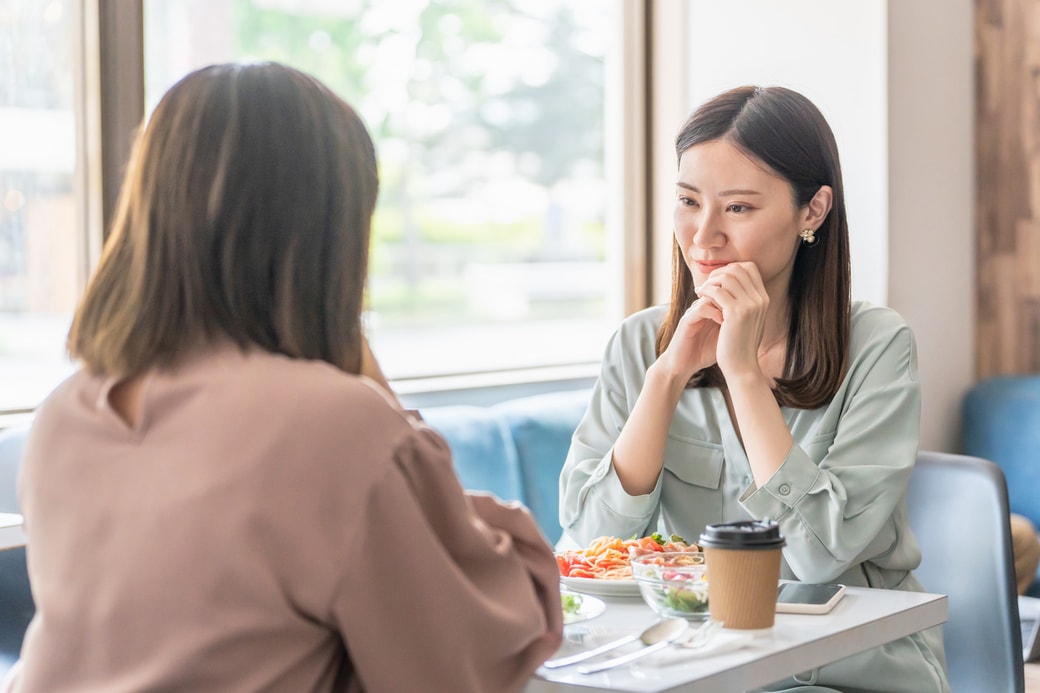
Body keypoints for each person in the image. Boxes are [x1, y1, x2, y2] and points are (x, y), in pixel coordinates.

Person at [3, 62, 562, 692]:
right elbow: (471, 655)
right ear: (331, 228)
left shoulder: (62, 416)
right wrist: (362, 369)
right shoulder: (336, 425)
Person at [558, 85, 949, 693]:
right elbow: (590, 547)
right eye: (688, 201)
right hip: (695, 667)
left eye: (738, 208)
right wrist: (666, 377)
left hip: (849, 671)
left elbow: (820, 555)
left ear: (812, 212)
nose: (703, 236)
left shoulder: (876, 344)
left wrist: (741, 374)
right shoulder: (639, 344)